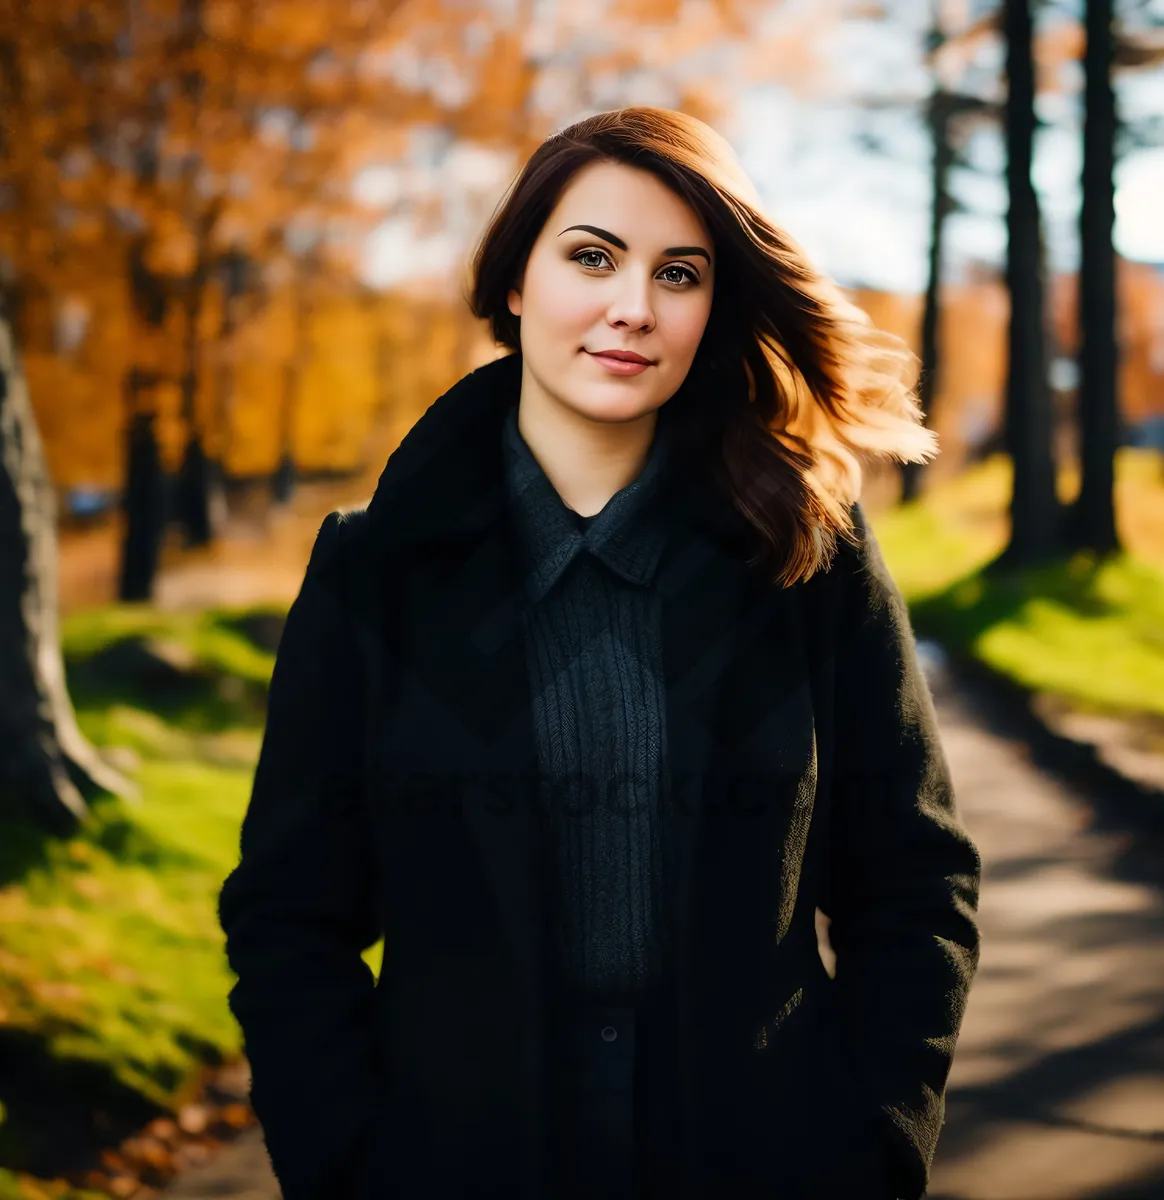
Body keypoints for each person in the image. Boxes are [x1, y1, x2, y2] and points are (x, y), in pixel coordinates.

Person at [217, 106, 982, 1200]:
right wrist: (344, 1163)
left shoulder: (808, 554)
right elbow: (290, 916)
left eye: (680, 273)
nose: (633, 308)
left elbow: (916, 879)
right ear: (516, 283)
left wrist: (873, 1148)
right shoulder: (373, 569)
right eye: (592, 257)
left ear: (714, 306)